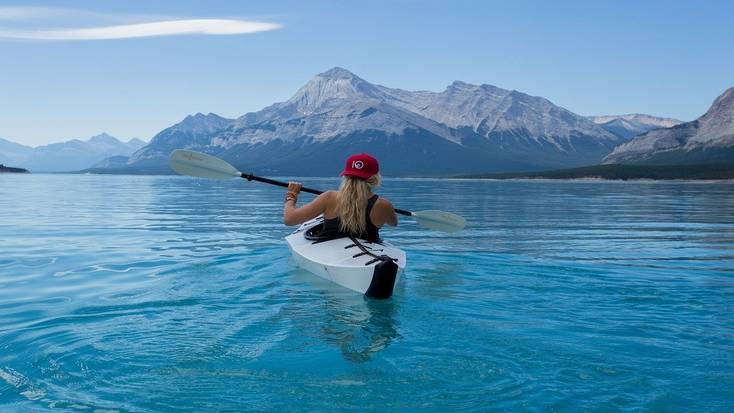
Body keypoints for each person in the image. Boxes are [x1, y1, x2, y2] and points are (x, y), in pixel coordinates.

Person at [283, 153, 398, 242]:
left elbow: (289, 219)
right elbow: (393, 223)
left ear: (346, 175)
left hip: (328, 251)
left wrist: (291, 196)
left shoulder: (329, 197)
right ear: (375, 178)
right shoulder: (383, 205)